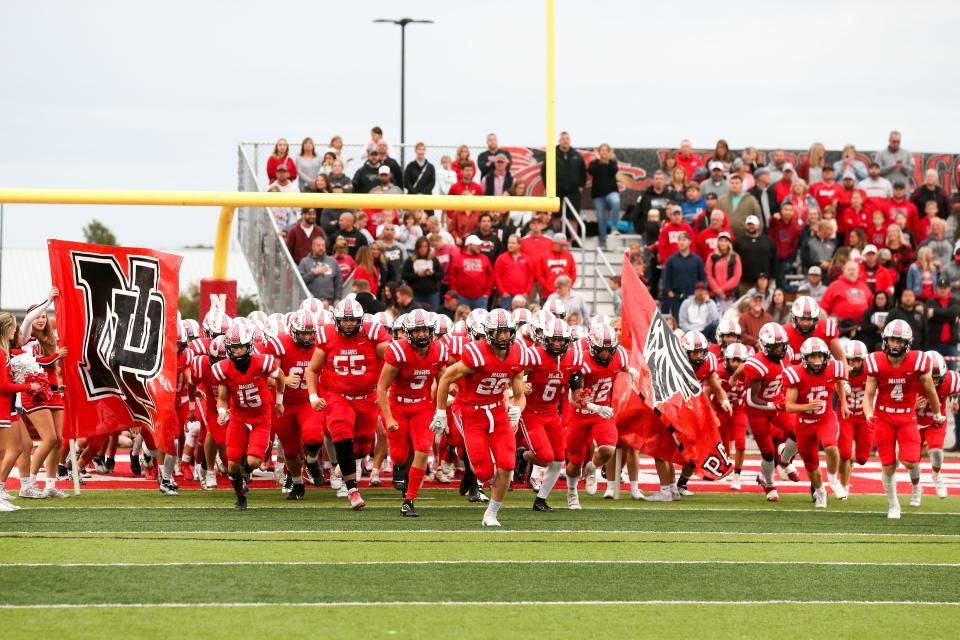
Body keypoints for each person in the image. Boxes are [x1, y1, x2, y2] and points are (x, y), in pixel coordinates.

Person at [432, 310, 528, 526]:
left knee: (506, 464)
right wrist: (440, 412)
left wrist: (517, 408)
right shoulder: (476, 353)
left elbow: (520, 396)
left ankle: (491, 513)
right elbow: (446, 378)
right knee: (485, 472)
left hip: (497, 412)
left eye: (507, 332)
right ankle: (474, 477)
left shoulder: (517, 355)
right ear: (488, 333)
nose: (504, 337)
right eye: (498, 332)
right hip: (472, 413)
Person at [307, 299, 390, 510]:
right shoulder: (326, 336)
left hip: (368, 398)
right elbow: (313, 369)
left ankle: (350, 470)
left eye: (352, 320)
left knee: (362, 447)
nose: (349, 325)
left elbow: (392, 360)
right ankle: (353, 491)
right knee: (342, 439)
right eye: (344, 321)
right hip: (338, 396)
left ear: (360, 320)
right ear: (337, 320)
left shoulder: (373, 335)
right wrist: (313, 396)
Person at [863, 320, 942, 518]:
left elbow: (931, 389)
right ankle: (893, 504)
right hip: (884, 417)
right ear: (885, 340)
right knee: (888, 465)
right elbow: (868, 394)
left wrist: (938, 412)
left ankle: (917, 487)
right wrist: (869, 414)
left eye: (899, 341)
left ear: (907, 342)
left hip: (907, 416)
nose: (895, 344)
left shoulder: (917, 361)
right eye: (892, 340)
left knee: (909, 461)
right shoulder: (875, 361)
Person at [377, 310, 449, 517]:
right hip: (398, 405)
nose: (421, 334)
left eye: (424, 329)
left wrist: (440, 410)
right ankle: (404, 471)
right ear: (408, 333)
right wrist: (388, 417)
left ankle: (409, 500)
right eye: (417, 330)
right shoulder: (398, 351)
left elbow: (442, 382)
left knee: (422, 450)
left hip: (423, 406)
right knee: (399, 456)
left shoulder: (439, 350)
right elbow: (382, 388)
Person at [213, 323, 286, 510]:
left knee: (254, 461)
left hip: (261, 417)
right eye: (233, 347)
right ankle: (240, 497)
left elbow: (280, 376)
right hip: (238, 418)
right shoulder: (223, 368)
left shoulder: (263, 362)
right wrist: (222, 412)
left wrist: (279, 401)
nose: (237, 351)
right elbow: (222, 398)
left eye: (240, 347)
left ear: (249, 345)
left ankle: (246, 473)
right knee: (232, 464)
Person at [565, 323, 638, 506]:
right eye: (601, 350)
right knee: (574, 461)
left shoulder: (619, 354)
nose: (605, 354)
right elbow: (576, 397)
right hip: (580, 414)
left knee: (608, 449)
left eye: (609, 350)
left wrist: (630, 370)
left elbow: (621, 364)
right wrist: (596, 407)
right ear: (591, 347)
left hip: (602, 414)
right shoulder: (579, 359)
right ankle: (572, 492)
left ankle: (591, 468)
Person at [783, 337, 848, 507]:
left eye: (820, 356)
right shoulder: (796, 374)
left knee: (831, 447)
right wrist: (807, 406)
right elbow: (789, 406)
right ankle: (820, 491)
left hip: (825, 418)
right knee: (811, 467)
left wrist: (844, 403)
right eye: (813, 357)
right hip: (804, 423)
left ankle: (833, 480)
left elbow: (839, 381)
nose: (817, 361)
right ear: (805, 358)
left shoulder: (834, 368)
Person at [741, 322, 798, 502]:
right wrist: (773, 405)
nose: (781, 350)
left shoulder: (788, 354)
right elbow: (752, 398)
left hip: (776, 404)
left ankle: (785, 460)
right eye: (776, 347)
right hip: (758, 411)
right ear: (765, 347)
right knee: (767, 453)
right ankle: (769, 484)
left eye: (783, 345)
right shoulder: (756, 364)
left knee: (797, 433)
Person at [916, 352, 957, 500]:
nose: (933, 382)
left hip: (936, 421)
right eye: (930, 377)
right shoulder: (912, 380)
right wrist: (911, 405)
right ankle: (916, 487)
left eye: (937, 378)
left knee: (937, 452)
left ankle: (937, 475)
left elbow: (955, 389)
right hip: (915, 423)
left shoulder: (951, 380)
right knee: (911, 460)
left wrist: (954, 400)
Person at [661, 232, 706, 320]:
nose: (681, 242)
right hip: (676, 297)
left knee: (692, 320)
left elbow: (702, 278)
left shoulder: (697, 260)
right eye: (679, 240)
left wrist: (700, 292)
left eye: (684, 240)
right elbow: (666, 277)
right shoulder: (671, 260)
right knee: (677, 321)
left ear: (690, 242)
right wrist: (669, 292)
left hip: (693, 296)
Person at [540, 131, 587, 209]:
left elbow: (583, 171)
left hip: (573, 192)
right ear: (559, 141)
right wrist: (548, 187)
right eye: (563, 139)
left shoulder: (577, 155)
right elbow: (544, 172)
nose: (565, 141)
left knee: (573, 217)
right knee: (556, 216)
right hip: (556, 191)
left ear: (570, 141)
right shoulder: (552, 155)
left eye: (567, 139)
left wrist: (581, 185)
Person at [733, 216, 777, 293]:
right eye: (749, 224)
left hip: (764, 282)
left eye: (753, 224)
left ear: (758, 225)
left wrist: (772, 277)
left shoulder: (768, 241)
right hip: (744, 282)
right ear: (745, 225)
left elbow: (774, 260)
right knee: (745, 304)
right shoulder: (738, 241)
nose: (751, 226)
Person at [589, 143, 621, 247]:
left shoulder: (612, 163)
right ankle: (603, 241)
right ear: (598, 152)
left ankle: (614, 228)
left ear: (608, 152)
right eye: (601, 150)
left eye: (606, 150)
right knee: (601, 217)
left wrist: (610, 160)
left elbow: (614, 171)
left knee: (616, 202)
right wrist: (598, 161)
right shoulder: (594, 163)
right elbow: (592, 172)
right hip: (598, 195)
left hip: (611, 192)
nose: (604, 152)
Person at [449, 235, 494, 309]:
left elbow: (491, 276)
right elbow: (452, 276)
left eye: (480, 245)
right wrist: (455, 293)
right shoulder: (458, 258)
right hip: (462, 297)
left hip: (481, 298)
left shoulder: (484, 258)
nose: (480, 247)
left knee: (481, 320)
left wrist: (487, 293)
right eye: (477, 245)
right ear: (469, 245)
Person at [446, 163, 485, 244]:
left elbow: (482, 206)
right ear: (462, 171)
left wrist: (477, 216)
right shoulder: (454, 187)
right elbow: (448, 204)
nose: (469, 173)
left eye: (471, 170)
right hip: (458, 225)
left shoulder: (478, 188)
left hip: (474, 226)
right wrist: (455, 216)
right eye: (467, 170)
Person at [401, 237, 444, 310]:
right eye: (421, 247)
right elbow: (404, 275)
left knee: (433, 316)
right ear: (417, 248)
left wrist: (433, 273)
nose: (423, 249)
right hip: (416, 294)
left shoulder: (433, 259)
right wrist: (417, 275)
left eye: (425, 246)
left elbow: (441, 275)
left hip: (432, 294)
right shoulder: (411, 260)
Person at [493, 235, 534, 310]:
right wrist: (503, 292)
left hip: (522, 295)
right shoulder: (501, 258)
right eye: (509, 243)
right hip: (507, 296)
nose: (510, 245)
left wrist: (526, 292)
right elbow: (497, 276)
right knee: (507, 319)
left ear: (519, 245)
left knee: (523, 319)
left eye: (513, 243)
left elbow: (530, 276)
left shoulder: (526, 258)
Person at [298, 237, 341, 306]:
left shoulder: (333, 261)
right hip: (310, 302)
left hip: (329, 302)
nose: (321, 248)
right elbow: (299, 282)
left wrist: (337, 298)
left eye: (323, 245)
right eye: (318, 245)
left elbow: (338, 283)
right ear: (313, 247)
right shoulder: (305, 262)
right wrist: (313, 273)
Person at [704, 231, 742, 310]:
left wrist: (723, 289)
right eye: (721, 241)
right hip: (714, 294)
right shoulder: (712, 257)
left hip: (730, 294)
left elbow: (737, 276)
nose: (723, 243)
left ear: (729, 243)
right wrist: (717, 290)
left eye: (725, 241)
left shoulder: (735, 257)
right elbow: (709, 275)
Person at [535, 233, 577, 299]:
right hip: (547, 294)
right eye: (560, 245)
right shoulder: (544, 256)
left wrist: (568, 285)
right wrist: (547, 286)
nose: (562, 247)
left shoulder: (568, 255)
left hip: (564, 293)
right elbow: (539, 274)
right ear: (554, 243)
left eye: (564, 245)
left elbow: (573, 272)